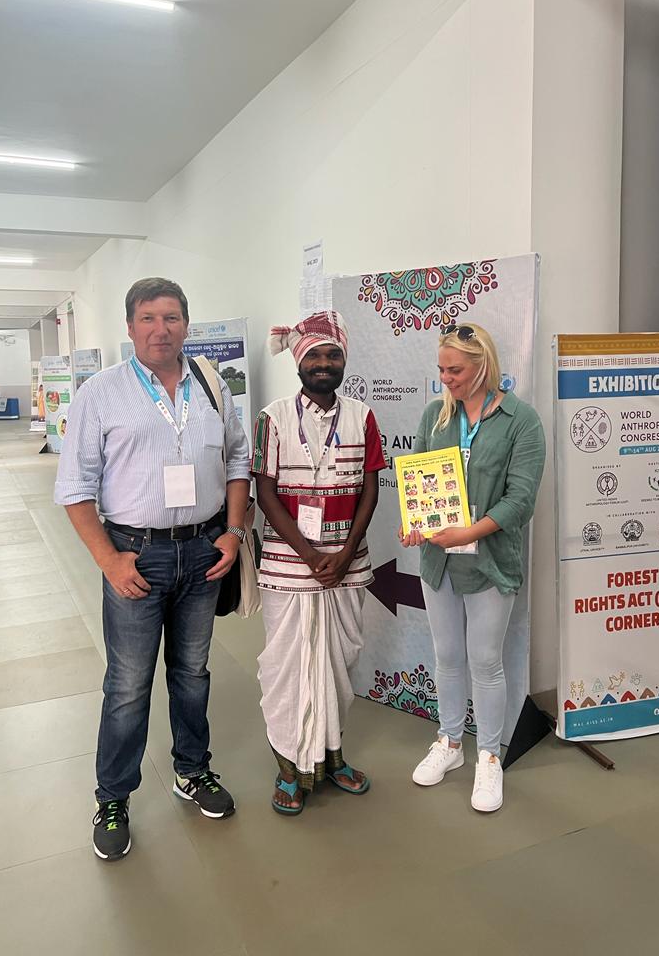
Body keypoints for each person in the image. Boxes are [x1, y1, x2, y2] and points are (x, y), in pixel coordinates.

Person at [54, 277, 250, 860]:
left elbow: (238, 459)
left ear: (186, 324)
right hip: (136, 554)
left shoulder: (212, 384)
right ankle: (113, 797)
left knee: (192, 673)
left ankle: (192, 770)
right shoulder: (100, 393)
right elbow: (75, 487)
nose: (160, 330)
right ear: (130, 326)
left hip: (204, 550)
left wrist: (234, 532)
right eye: (148, 318)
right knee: (128, 684)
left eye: (170, 318)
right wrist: (108, 559)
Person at [400, 323, 545, 813]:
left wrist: (469, 533)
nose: (445, 379)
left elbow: (520, 500)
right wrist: (415, 523)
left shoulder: (521, 421)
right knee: (447, 656)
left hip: (490, 562)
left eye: (455, 370)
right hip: (439, 562)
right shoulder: (435, 416)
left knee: (485, 661)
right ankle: (449, 742)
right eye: (441, 369)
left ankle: (488, 755)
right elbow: (420, 485)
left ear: (483, 366)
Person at [251, 311, 386, 815]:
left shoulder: (362, 416)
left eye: (333, 355)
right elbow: (266, 493)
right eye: (314, 356)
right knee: (288, 668)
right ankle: (290, 769)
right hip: (289, 566)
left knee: (339, 664)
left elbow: (370, 488)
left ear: (343, 361)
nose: (324, 364)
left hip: (348, 565)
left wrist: (345, 553)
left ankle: (332, 757)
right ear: (298, 361)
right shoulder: (272, 418)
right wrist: (309, 555)